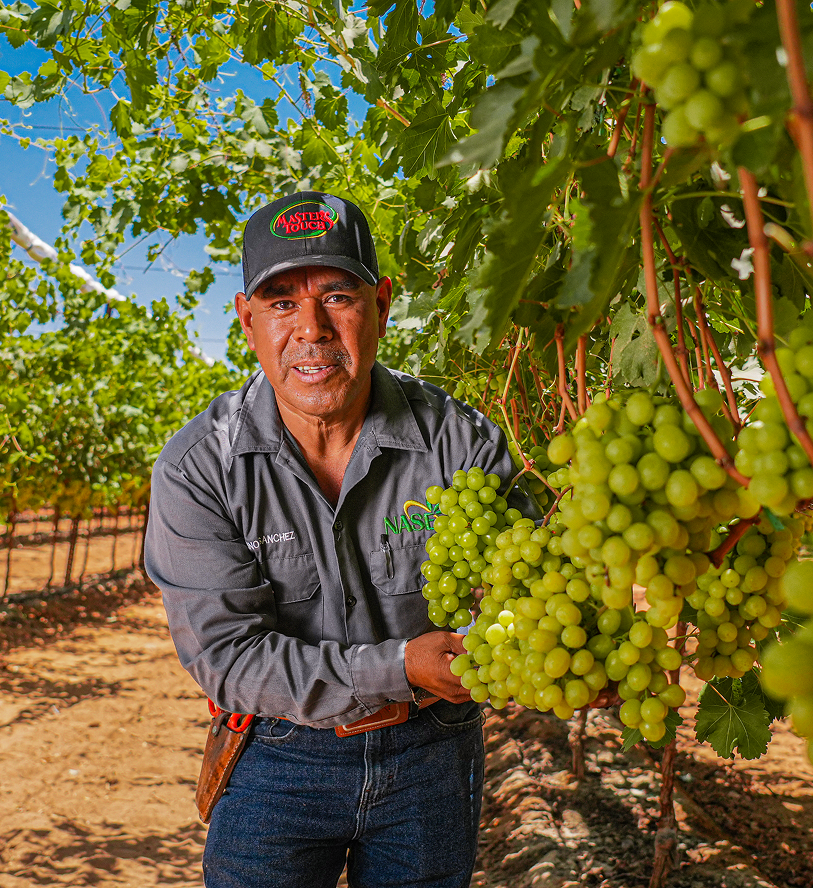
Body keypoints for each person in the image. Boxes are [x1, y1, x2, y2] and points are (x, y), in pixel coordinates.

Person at [143, 191, 530, 888]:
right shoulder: (199, 466)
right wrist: (399, 667)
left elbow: (524, 590)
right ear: (248, 321)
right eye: (282, 303)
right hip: (273, 757)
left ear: (381, 304)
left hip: (433, 756)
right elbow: (227, 657)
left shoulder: (460, 443)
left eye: (338, 297)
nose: (312, 329)